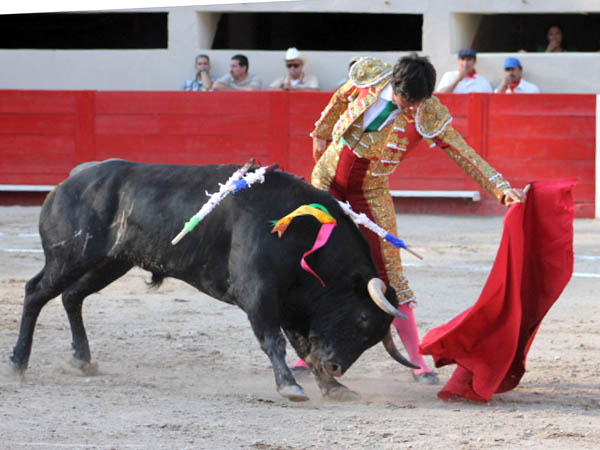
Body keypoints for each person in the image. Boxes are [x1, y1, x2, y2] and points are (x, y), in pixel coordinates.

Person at [296, 53, 525, 384]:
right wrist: (321, 131)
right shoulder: (370, 76)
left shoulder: (426, 111)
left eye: (420, 101)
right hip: (326, 179)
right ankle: (305, 354)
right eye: (409, 101)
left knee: (391, 273)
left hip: (369, 191)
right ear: (395, 86)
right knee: (315, 263)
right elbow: (342, 95)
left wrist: (501, 188)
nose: (414, 108)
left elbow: (463, 153)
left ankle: (417, 361)